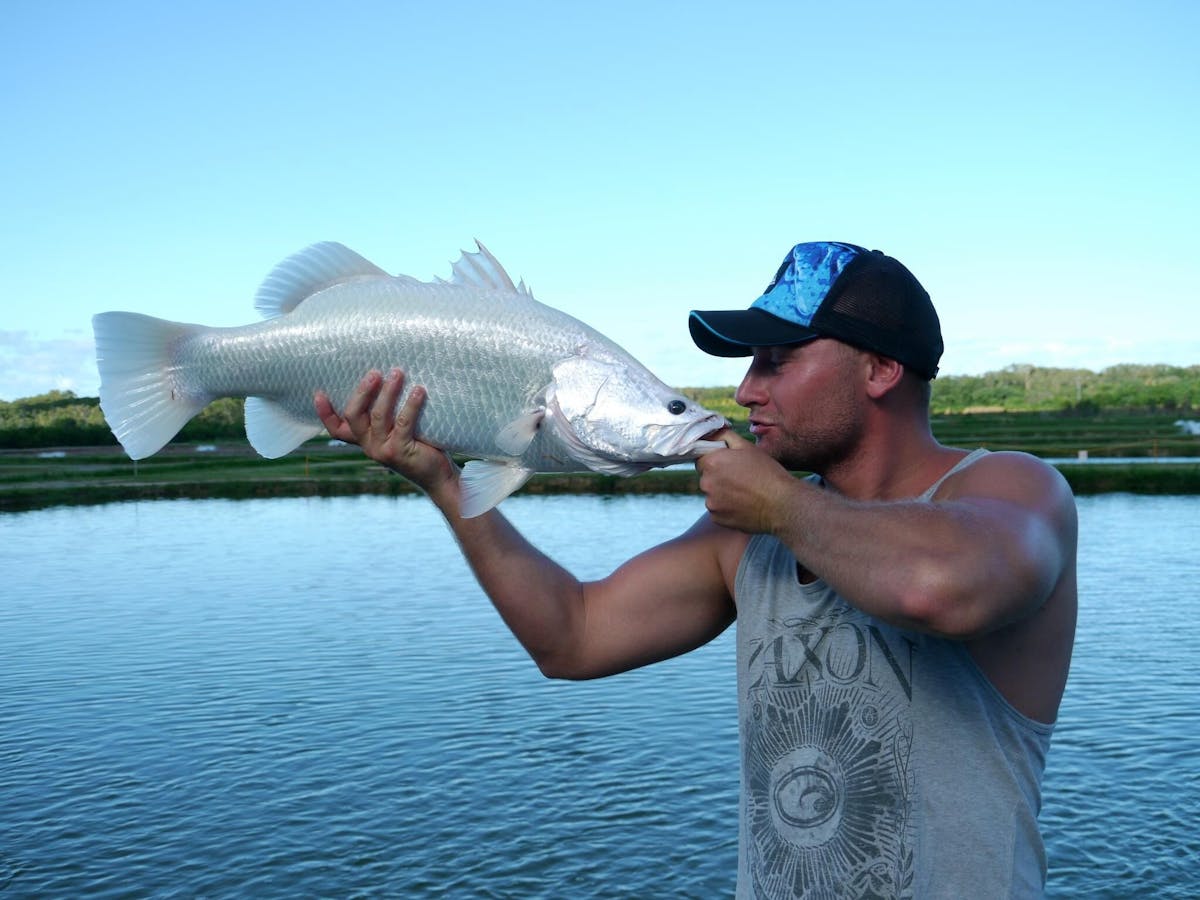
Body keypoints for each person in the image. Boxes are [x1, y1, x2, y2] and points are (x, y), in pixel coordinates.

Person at [315, 240, 1077, 899]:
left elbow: (940, 586)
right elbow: (572, 638)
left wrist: (780, 505)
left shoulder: (1011, 488)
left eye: (778, 361)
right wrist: (446, 485)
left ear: (880, 369)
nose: (748, 390)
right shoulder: (745, 536)